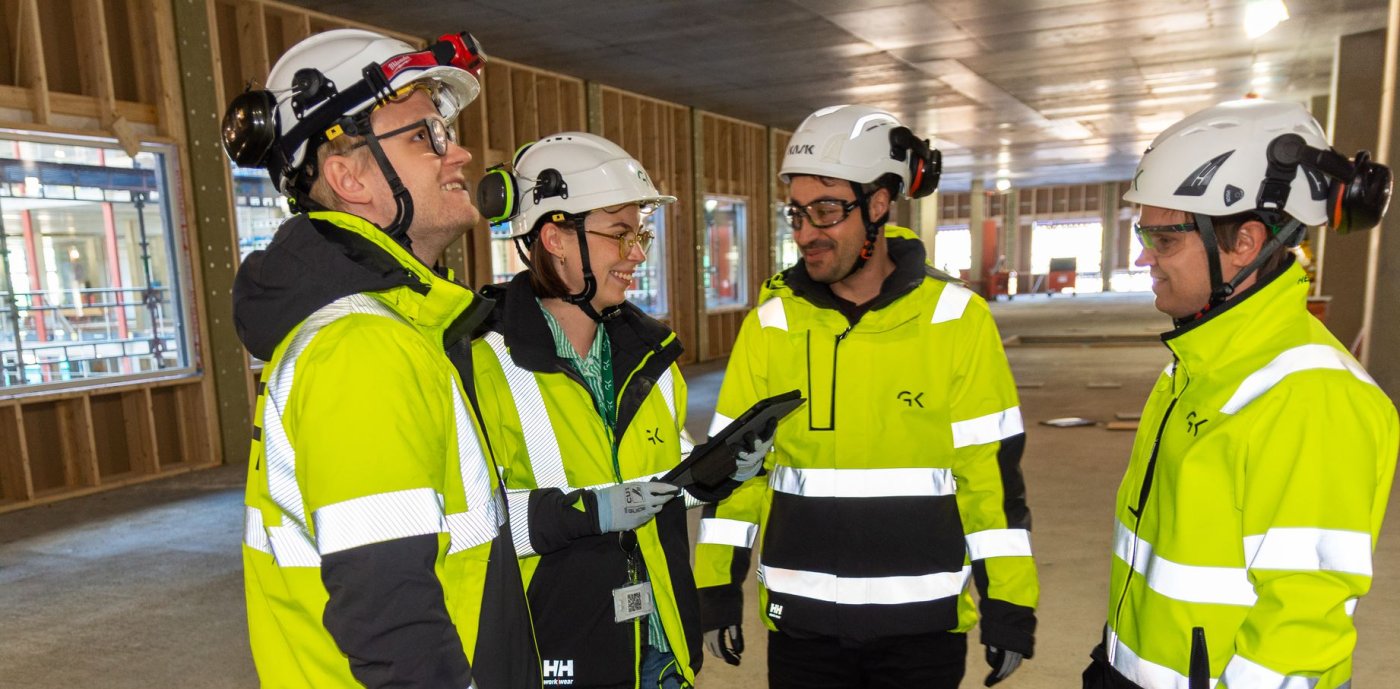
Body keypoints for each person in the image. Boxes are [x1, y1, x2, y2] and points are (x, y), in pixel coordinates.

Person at [223, 29, 538, 688]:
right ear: (350, 176)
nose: (462, 154)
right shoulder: (360, 347)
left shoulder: (394, 328)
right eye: (426, 137)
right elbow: (392, 625)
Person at [693, 104, 1039, 689]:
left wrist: (1009, 603)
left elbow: (991, 480)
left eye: (827, 210)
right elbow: (733, 473)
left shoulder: (957, 319)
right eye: (797, 213)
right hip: (802, 627)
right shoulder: (771, 325)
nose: (806, 232)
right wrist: (716, 590)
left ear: (879, 204)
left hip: (922, 628)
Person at [1082, 98, 1399, 689]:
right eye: (1143, 234)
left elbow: (1298, 634)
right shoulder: (1199, 366)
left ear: (1246, 242)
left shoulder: (1312, 397)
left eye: (1163, 239)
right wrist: (1117, 658)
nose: (1143, 257)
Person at [469, 132, 768, 689]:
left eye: (641, 235)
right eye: (619, 234)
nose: (636, 254)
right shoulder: (484, 363)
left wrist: (709, 475)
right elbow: (465, 524)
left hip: (660, 643)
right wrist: (587, 512)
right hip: (555, 645)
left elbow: (657, 472)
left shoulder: (650, 357)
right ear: (555, 237)